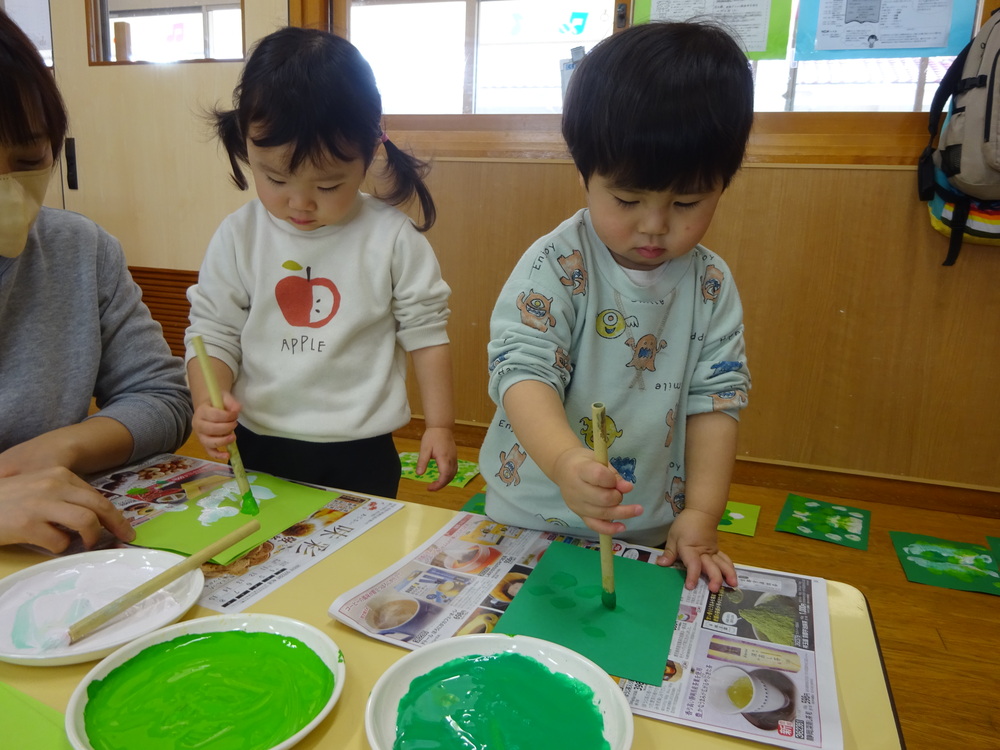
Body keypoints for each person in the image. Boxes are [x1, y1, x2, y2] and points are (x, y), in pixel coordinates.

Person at [479, 21, 754, 592]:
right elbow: (522, 373)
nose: (654, 226)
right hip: (531, 513)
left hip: (645, 525)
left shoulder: (711, 283)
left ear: (724, 186)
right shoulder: (558, 264)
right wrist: (564, 463)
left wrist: (700, 515)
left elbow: (716, 402)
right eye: (627, 199)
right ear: (586, 174)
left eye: (687, 201)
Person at [185, 27, 456, 499]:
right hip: (257, 445)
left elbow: (426, 334)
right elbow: (212, 332)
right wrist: (208, 400)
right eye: (273, 178)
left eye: (327, 186)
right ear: (246, 143)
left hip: (362, 451)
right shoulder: (239, 236)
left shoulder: (391, 238)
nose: (300, 204)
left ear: (370, 151)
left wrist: (440, 424)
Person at [0, 10, 193, 553]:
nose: (7, 191)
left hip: (59, 565)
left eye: (29, 159)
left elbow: (161, 397)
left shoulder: (80, 250)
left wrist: (63, 447)